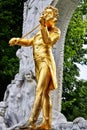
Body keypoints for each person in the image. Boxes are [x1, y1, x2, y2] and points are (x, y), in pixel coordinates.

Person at [9, 6, 61, 130]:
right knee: (44, 93)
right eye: (44, 14)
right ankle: (46, 123)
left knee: (39, 91)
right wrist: (18, 41)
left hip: (46, 63)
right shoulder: (39, 32)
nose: (44, 16)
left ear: (53, 18)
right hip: (38, 64)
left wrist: (43, 26)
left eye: (47, 14)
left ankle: (31, 121)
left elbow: (48, 41)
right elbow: (30, 42)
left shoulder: (55, 31)